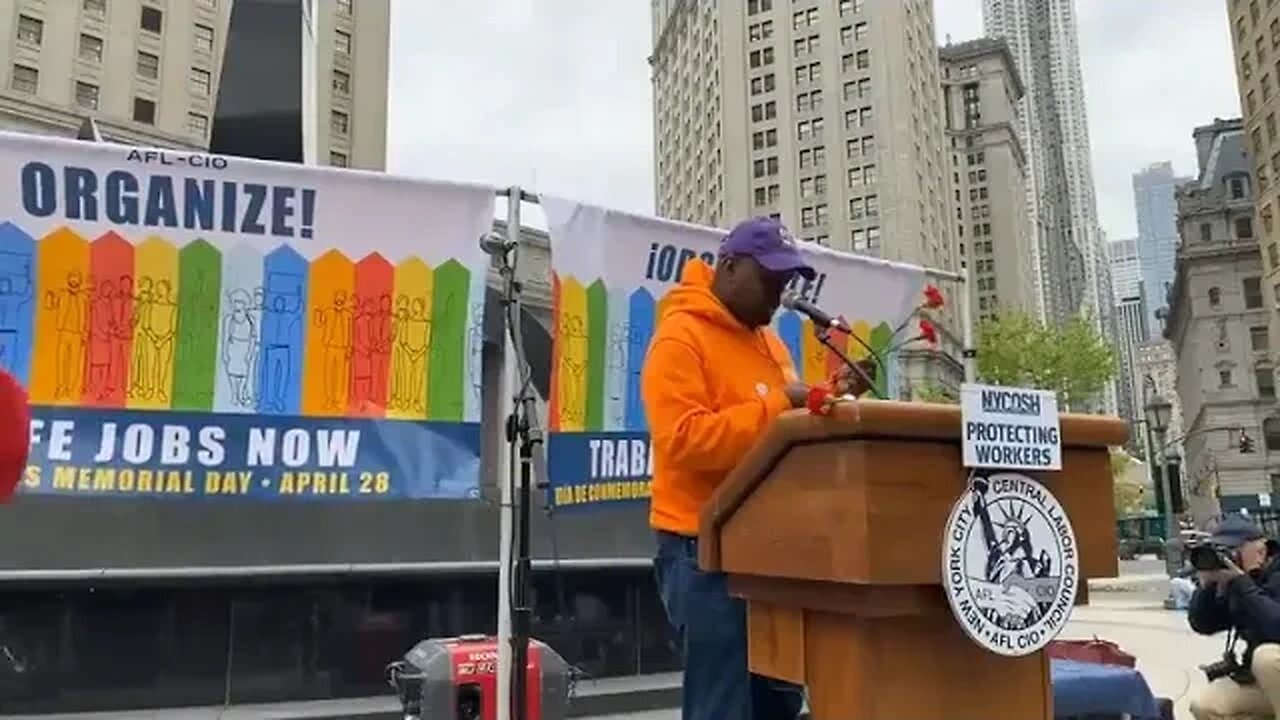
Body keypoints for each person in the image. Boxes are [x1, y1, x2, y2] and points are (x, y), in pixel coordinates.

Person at [642, 216, 871, 720]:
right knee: (723, 705)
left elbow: (781, 433)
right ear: (728, 267)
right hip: (704, 553)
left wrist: (832, 401)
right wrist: (780, 407)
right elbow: (685, 441)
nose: (780, 291)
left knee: (778, 701)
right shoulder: (680, 338)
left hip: (771, 552)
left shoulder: (768, 341)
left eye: (786, 279)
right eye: (769, 277)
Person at [1187, 514, 1280, 719]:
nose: (1227, 559)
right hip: (1262, 681)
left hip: (1272, 666)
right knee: (1206, 705)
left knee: (1266, 657)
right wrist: (1207, 588)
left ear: (1261, 551)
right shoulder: (1235, 581)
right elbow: (1204, 625)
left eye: (1232, 551)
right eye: (1221, 552)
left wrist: (1242, 583)